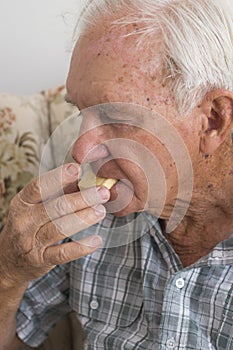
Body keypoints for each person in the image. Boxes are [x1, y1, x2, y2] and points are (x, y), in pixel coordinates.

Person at [1, 0, 233, 349]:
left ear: (213, 119)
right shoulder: (86, 216)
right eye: (81, 112)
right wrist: (8, 270)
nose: (81, 152)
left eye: (113, 115)